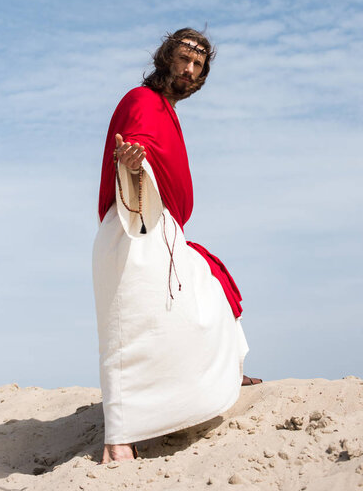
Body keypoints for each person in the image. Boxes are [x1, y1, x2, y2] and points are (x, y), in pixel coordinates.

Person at [92, 28, 261, 464]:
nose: (189, 69)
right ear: (167, 58)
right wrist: (133, 161)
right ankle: (119, 440)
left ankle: (224, 375)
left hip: (159, 228)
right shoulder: (142, 100)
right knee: (129, 329)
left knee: (202, 294)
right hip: (133, 227)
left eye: (198, 66)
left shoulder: (166, 110)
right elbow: (134, 147)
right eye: (184, 59)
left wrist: (137, 160)